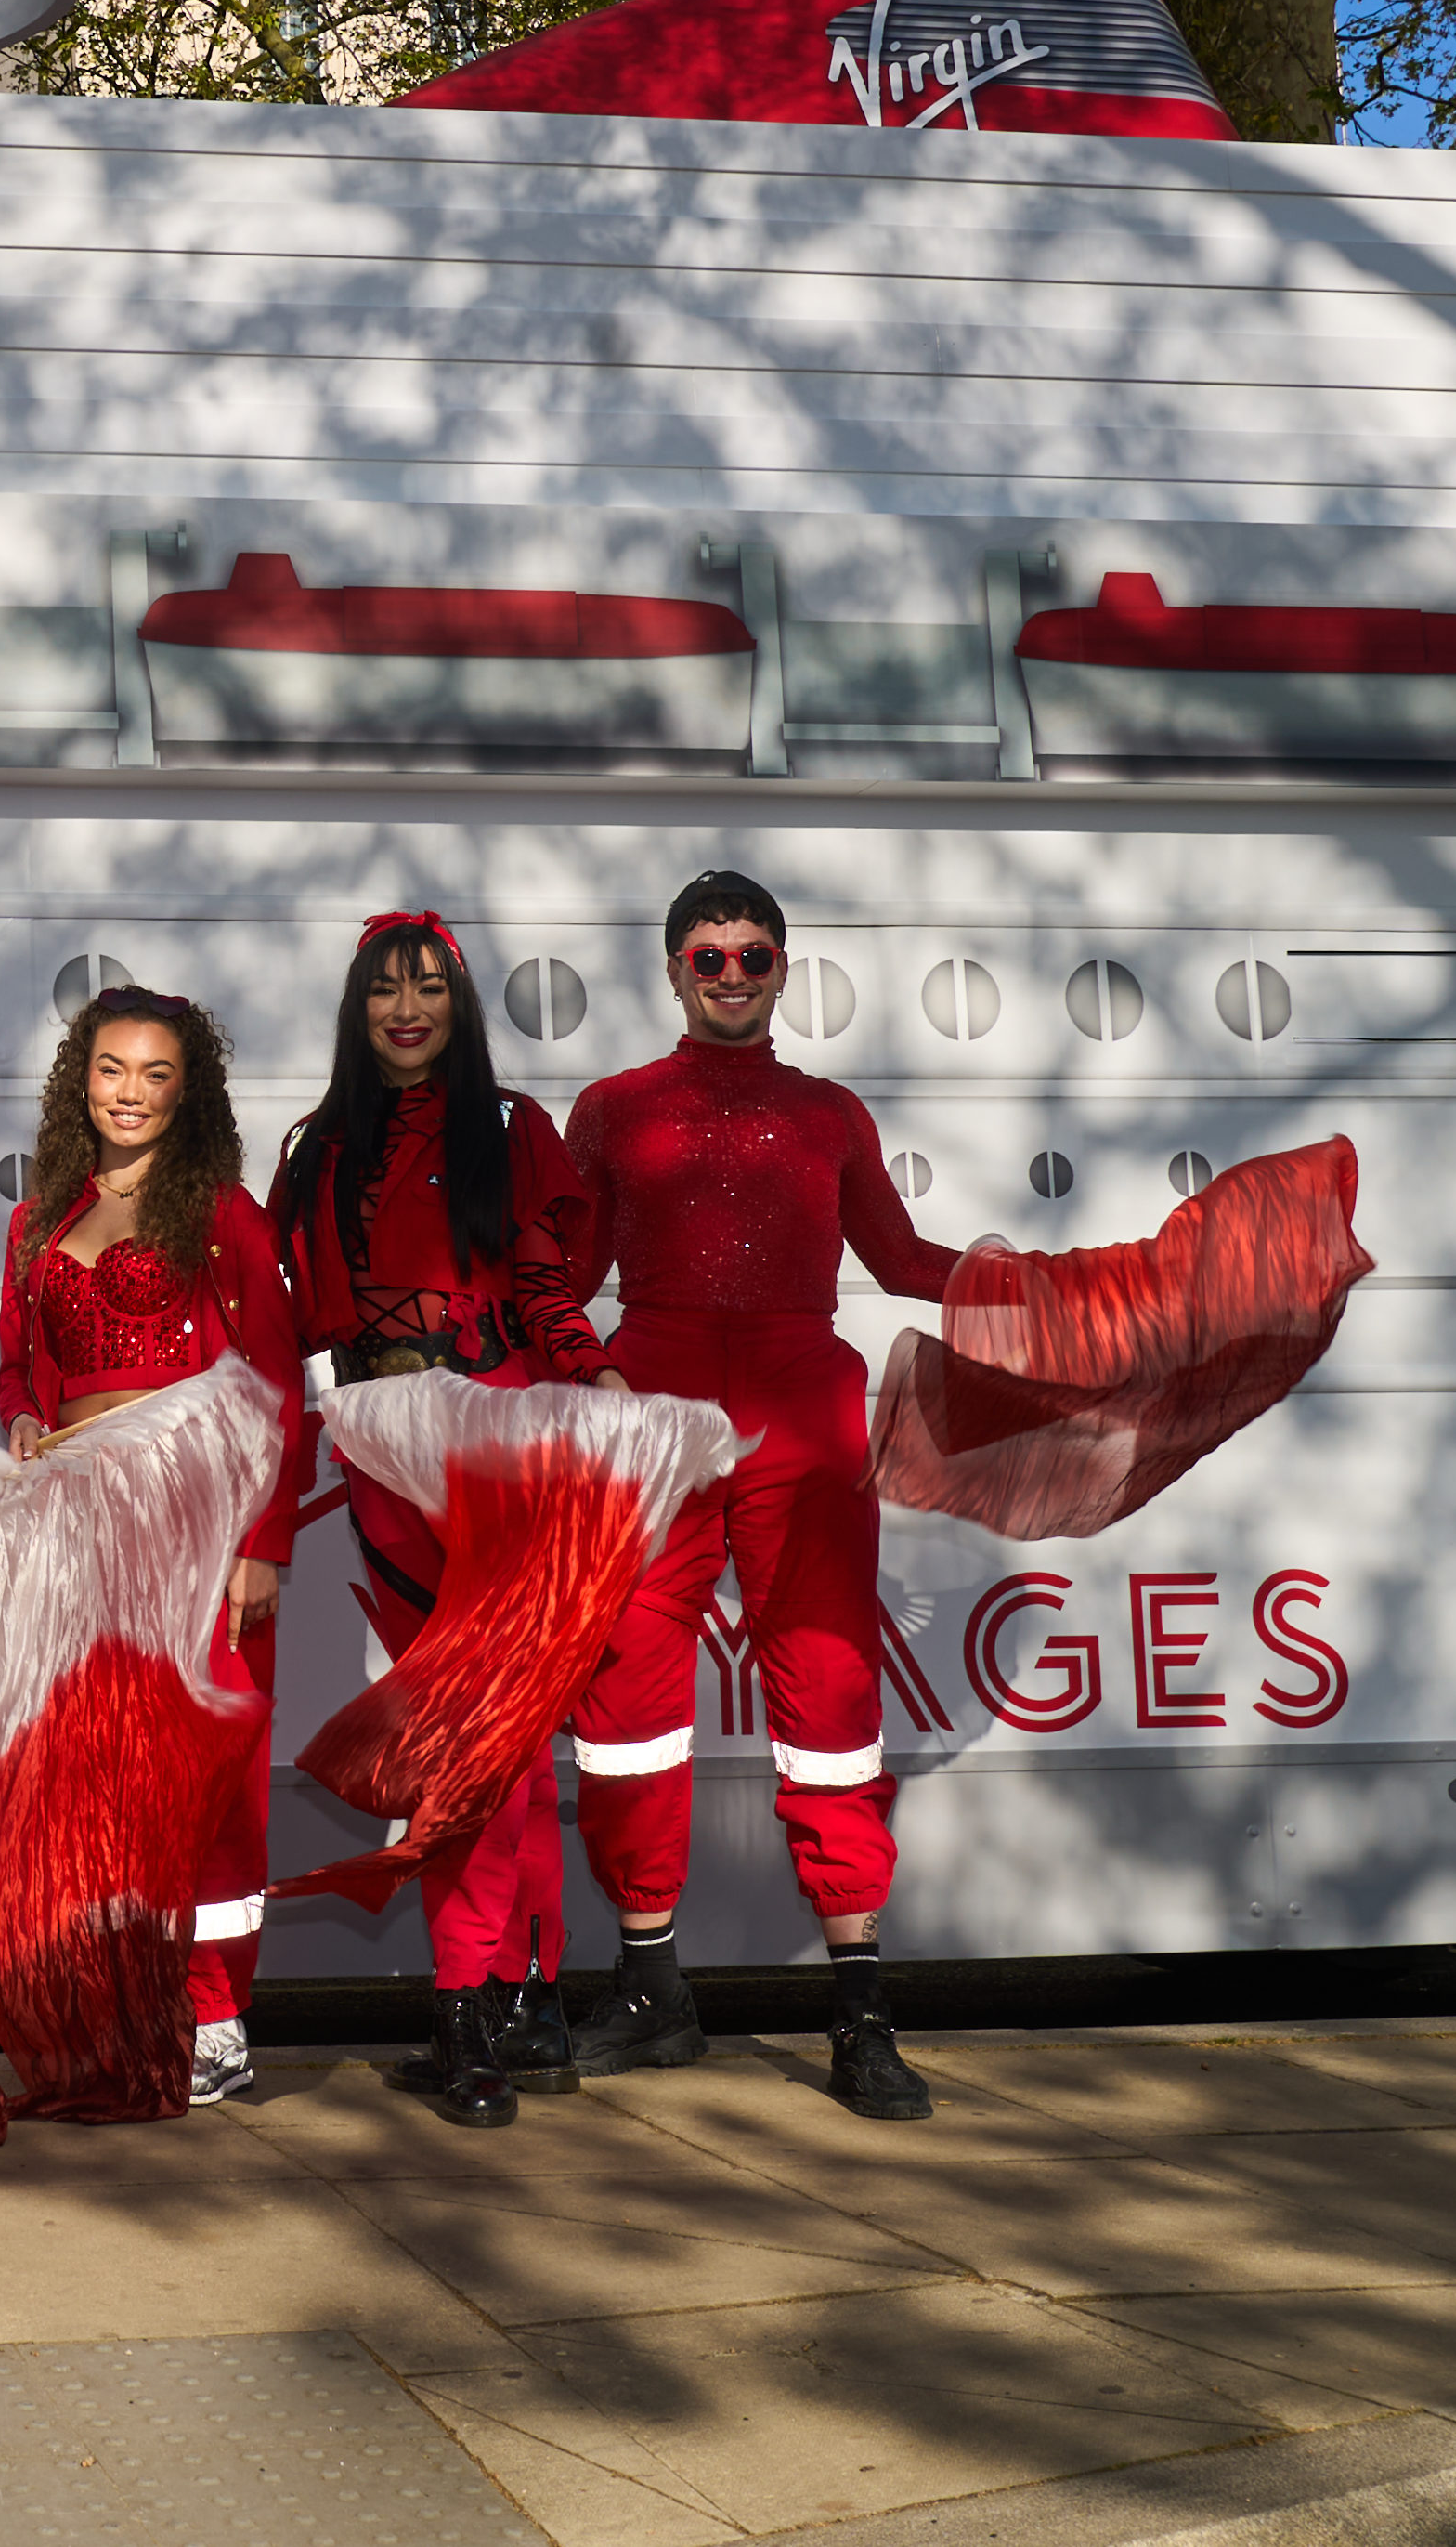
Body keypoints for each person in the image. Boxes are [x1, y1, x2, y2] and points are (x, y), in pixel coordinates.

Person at [561, 871, 980, 2122]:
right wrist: (579, 1364)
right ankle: (651, 1987)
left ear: (784, 967)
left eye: (753, 954)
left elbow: (903, 1261)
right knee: (627, 1698)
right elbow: (560, 1275)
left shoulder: (828, 1111)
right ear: (674, 967)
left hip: (805, 1404)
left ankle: (859, 2009)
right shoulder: (611, 1108)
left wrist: (1057, 1294)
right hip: (658, 1415)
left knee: (831, 1690)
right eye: (708, 954)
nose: (731, 973)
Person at [267, 908, 621, 2129]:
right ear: (357, 1008)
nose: (405, 1007)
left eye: (428, 986)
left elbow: (542, 1283)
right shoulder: (319, 1148)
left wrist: (591, 1367)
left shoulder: (513, 1127)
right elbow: (292, 1322)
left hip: (504, 1437)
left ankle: (486, 2005)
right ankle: (514, 2003)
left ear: (460, 1006)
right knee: (484, 1739)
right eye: (383, 989)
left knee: (496, 1736)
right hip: (384, 1456)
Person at [0, 984, 306, 2107]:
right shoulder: (38, 1217)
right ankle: (118, 2003)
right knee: (98, 1770)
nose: (131, 1092)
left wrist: (263, 1541)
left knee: (206, 1776)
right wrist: (25, 1417)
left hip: (199, 1522)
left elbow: (275, 1386)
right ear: (83, 1078)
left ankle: (215, 2018)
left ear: (190, 1089)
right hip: (80, 1528)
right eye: (113, 1070)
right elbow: (18, 1367)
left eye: (156, 1074)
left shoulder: (224, 1212)